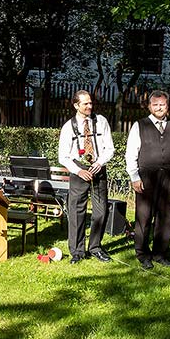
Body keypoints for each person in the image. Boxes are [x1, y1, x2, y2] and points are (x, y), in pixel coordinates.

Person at [124, 90, 170, 269]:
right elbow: (131, 153)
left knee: (166, 217)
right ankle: (142, 254)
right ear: (150, 106)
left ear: (167, 106)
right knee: (144, 217)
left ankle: (160, 253)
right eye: (155, 105)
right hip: (146, 176)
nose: (159, 108)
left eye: (162, 105)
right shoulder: (140, 125)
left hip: (168, 176)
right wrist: (134, 177)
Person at [58, 90, 115, 264]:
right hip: (79, 169)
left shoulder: (101, 121)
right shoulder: (69, 126)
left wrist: (100, 163)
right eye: (85, 104)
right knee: (76, 211)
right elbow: (63, 156)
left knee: (101, 211)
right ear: (76, 105)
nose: (90, 106)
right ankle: (77, 251)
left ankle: (95, 247)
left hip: (98, 167)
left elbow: (110, 148)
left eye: (90, 103)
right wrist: (78, 171)